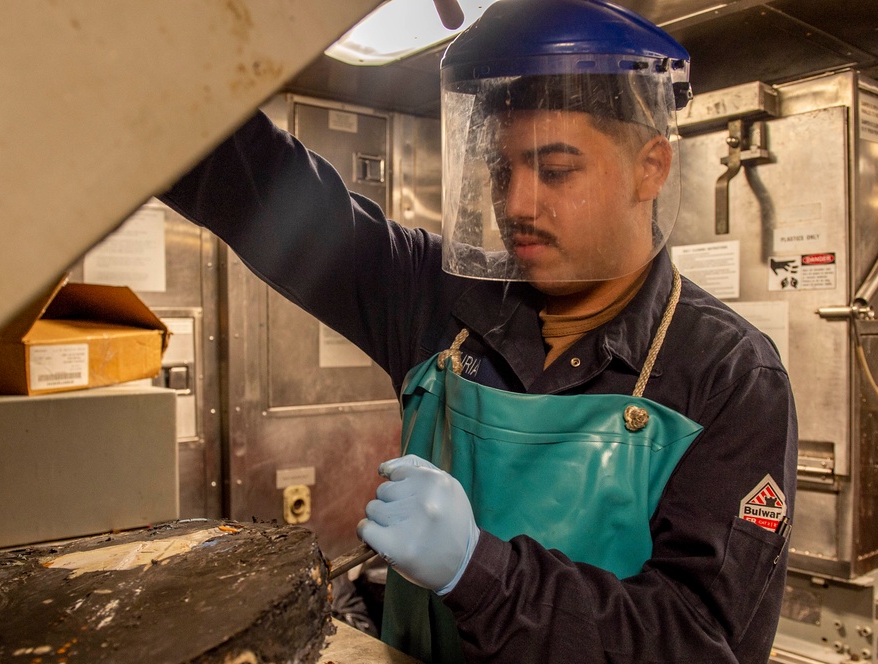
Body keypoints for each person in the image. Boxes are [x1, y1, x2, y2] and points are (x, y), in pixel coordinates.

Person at [159, 0, 798, 661]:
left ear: (651, 167)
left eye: (555, 170)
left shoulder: (728, 376)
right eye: (501, 168)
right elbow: (258, 186)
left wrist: (479, 571)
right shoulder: (441, 300)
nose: (518, 203)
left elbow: (698, 642)